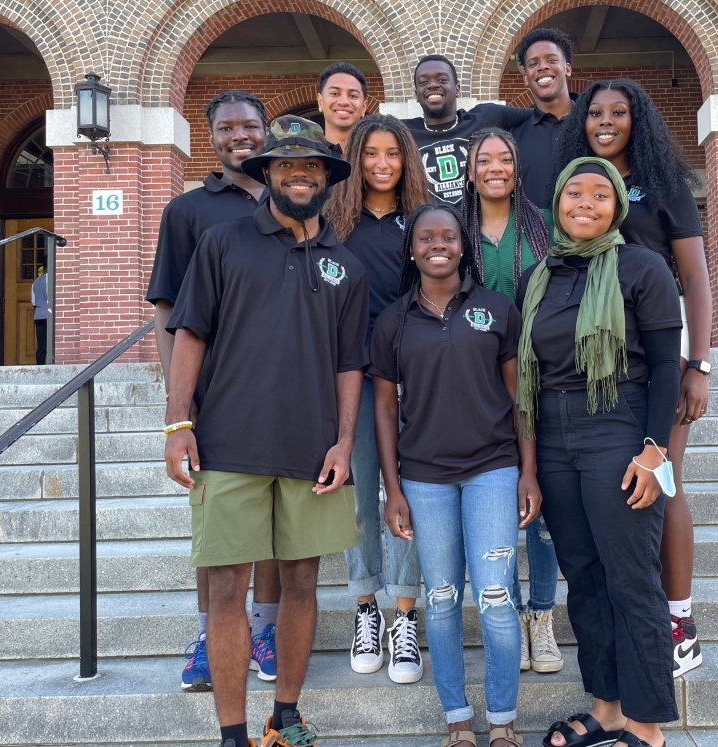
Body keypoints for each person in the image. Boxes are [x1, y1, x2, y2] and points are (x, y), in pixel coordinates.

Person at [163, 115, 368, 747]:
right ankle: (231, 733)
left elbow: (349, 363)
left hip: (311, 452)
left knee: (302, 580)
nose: (299, 175)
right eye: (286, 166)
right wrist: (179, 424)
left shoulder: (347, 266)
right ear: (268, 174)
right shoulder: (223, 242)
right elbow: (189, 332)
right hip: (228, 444)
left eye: (311, 167)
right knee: (228, 586)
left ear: (327, 179)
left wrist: (342, 441)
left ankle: (286, 716)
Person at [520, 158, 683, 747]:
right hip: (556, 434)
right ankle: (607, 708)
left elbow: (667, 365)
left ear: (617, 204)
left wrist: (653, 451)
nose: (584, 204)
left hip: (618, 425)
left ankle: (645, 725)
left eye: (599, 194)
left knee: (631, 578)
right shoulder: (541, 276)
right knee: (584, 578)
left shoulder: (642, 267)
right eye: (572, 193)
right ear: (556, 203)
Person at [554, 79, 711, 679]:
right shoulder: (578, 184)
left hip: (659, 358)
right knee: (622, 493)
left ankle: (678, 621)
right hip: (597, 374)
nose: (605, 121)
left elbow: (695, 278)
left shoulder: (664, 184)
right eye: (594, 112)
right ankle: (634, 616)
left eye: (619, 112)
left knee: (664, 479)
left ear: (637, 119)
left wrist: (699, 364)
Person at [372, 202, 539, 747]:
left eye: (448, 236)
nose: (437, 244)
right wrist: (392, 487)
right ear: (413, 248)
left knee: (495, 598)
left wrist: (528, 472)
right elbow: (383, 409)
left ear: (463, 245)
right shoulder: (393, 321)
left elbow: (521, 397)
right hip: (423, 478)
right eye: (426, 237)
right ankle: (457, 721)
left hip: (492, 469)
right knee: (440, 597)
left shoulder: (496, 309)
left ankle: (503, 720)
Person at [144, 90, 285, 692]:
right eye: (227, 128)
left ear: (266, 133)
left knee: (281, 527)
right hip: (216, 398)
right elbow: (167, 309)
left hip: (288, 389)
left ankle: (265, 628)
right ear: (212, 137)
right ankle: (210, 632)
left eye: (250, 126)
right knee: (220, 532)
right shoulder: (187, 210)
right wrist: (181, 404)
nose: (240, 136)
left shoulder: (295, 199)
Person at [323, 114, 433, 683]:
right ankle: (366, 608)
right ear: (358, 158)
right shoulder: (334, 223)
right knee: (360, 496)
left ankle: (405, 616)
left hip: (413, 376)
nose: (382, 163)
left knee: (407, 493)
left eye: (393, 153)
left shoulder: (423, 221)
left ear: (406, 159)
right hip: (353, 379)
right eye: (371, 153)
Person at [462, 127, 562, 675]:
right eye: (485, 159)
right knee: (497, 505)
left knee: (539, 506)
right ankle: (506, 614)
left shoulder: (546, 226)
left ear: (517, 169)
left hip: (544, 378)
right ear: (470, 170)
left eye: (505, 159)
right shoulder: (454, 228)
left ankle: (540, 618)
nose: (495, 167)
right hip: (475, 385)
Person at [401, 54, 533, 205]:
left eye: (442, 80)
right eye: (423, 82)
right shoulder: (403, 133)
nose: (432, 85)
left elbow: (539, 115)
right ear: (417, 94)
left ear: (457, 88)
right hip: (431, 226)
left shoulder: (486, 117)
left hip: (480, 225)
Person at [509, 28, 576, 208]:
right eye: (533, 64)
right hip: (532, 235)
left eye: (552, 60)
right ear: (526, 78)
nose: (543, 67)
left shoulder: (592, 124)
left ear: (567, 68)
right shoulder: (512, 135)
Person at [317, 62, 369, 154]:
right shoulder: (306, 155)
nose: (344, 102)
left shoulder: (374, 157)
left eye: (353, 95)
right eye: (334, 93)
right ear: (320, 102)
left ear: (363, 107)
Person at [31, 267, 48, 364]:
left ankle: (40, 366)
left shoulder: (36, 281)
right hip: (50, 315)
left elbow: (33, 301)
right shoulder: (52, 279)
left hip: (39, 315)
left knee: (41, 345)